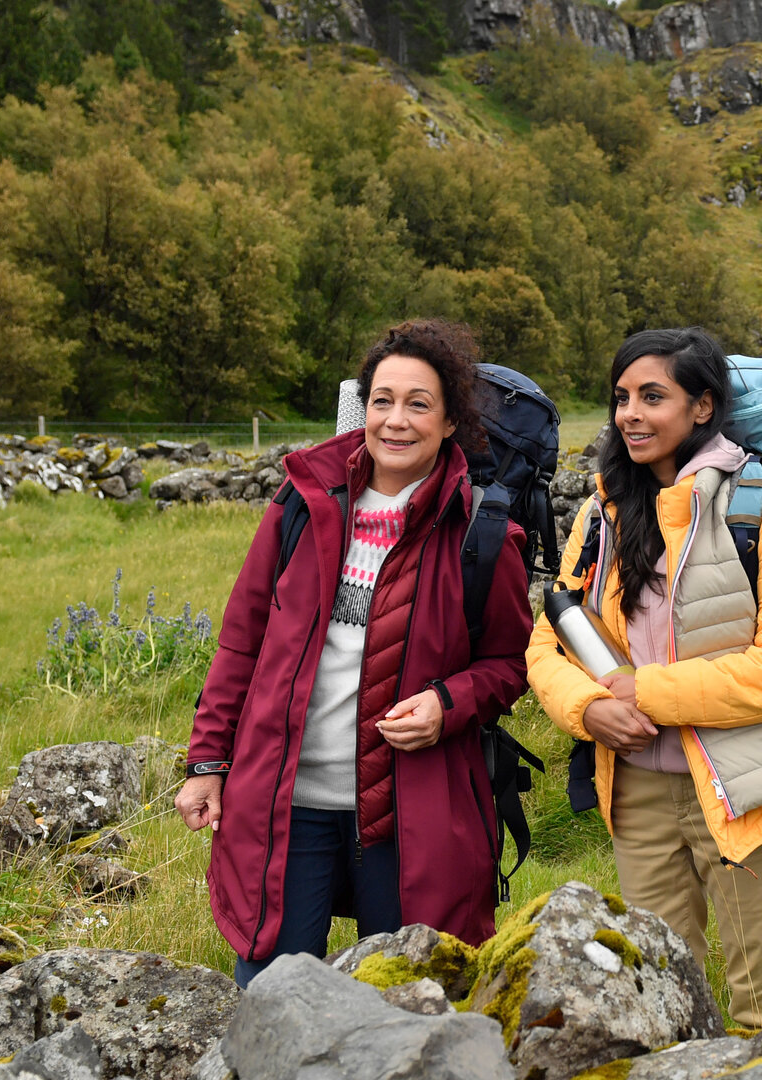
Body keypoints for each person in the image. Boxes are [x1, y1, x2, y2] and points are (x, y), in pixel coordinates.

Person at [178, 319, 533, 987]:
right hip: (287, 805)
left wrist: (447, 703)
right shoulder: (302, 503)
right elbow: (241, 644)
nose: (396, 420)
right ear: (363, 407)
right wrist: (207, 763)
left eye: (418, 404)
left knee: (403, 1000)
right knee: (273, 993)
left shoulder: (482, 533)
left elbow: (510, 665)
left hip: (410, 814)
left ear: (450, 421)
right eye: (381, 400)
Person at [525, 327, 762, 1027]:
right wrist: (587, 709)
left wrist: (647, 694)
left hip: (744, 784)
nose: (630, 414)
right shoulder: (603, 512)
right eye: (621, 398)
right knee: (660, 996)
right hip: (635, 787)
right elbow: (550, 640)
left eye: (652, 397)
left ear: (702, 407)